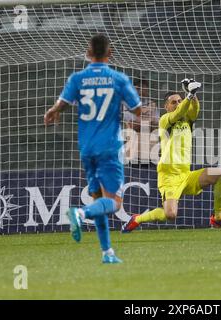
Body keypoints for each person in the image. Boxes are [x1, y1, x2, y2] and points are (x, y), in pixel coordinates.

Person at [44, 34, 142, 264]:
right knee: (114, 202)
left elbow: (62, 105)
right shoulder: (118, 78)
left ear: (88, 53)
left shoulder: (77, 79)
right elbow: (137, 109)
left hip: (86, 147)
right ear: (110, 52)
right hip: (109, 146)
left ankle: (107, 253)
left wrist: (53, 111)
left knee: (98, 198)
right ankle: (80, 213)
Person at [122, 79, 221, 233]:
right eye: (173, 102)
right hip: (169, 176)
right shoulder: (165, 120)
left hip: (186, 174)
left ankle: (218, 217)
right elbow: (179, 112)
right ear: (166, 107)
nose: (177, 104)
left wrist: (191, 95)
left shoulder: (188, 120)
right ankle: (137, 219)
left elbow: (194, 110)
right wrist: (189, 95)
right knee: (170, 214)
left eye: (179, 101)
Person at [123, 78, 159, 165]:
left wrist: (140, 122)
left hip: (151, 153)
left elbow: (157, 125)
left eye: (146, 87)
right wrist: (149, 120)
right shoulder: (128, 104)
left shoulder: (152, 104)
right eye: (141, 88)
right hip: (133, 152)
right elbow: (132, 125)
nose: (144, 90)